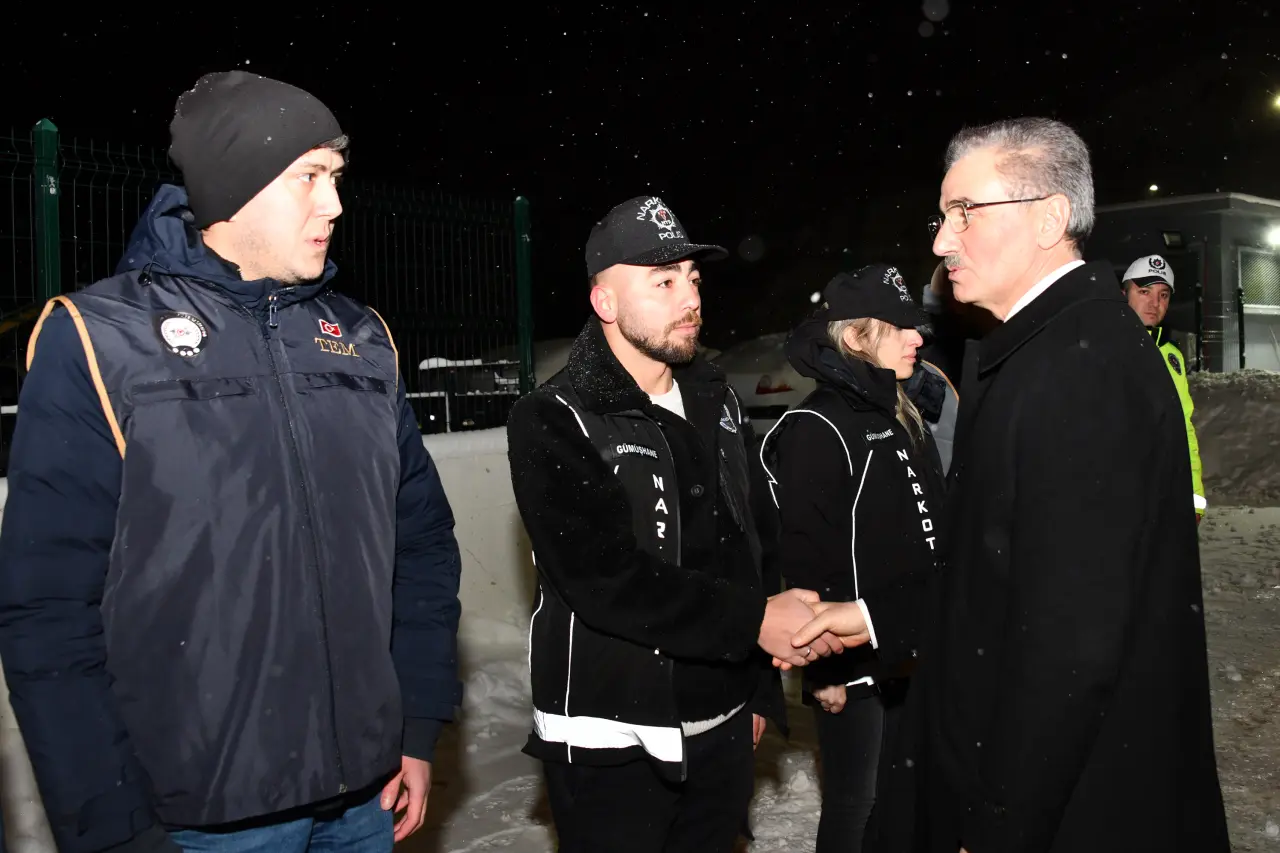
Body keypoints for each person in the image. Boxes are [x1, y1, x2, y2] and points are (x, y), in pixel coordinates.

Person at [0, 71, 463, 853]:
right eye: (308, 178)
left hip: (361, 799)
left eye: (337, 178)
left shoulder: (361, 338)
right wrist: (110, 824)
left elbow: (420, 545)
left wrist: (416, 722)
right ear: (234, 186)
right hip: (198, 817)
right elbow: (47, 611)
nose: (335, 205)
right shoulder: (98, 340)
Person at [789, 117, 1229, 853]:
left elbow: (1070, 644)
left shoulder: (1081, 367)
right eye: (942, 215)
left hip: (1066, 810)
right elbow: (996, 573)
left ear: (1050, 217)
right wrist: (872, 618)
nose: (940, 240)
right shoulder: (1034, 350)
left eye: (965, 211)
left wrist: (994, 823)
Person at [505, 194, 841, 853]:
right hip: (608, 732)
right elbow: (605, 578)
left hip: (720, 718)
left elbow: (752, 541)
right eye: (662, 282)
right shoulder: (553, 417)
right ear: (605, 301)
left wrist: (758, 690)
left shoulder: (714, 394)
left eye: (692, 279)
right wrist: (753, 621)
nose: (689, 298)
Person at [758, 265, 946, 853]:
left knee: (908, 801)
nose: (919, 338)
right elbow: (808, 554)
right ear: (857, 336)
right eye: (901, 328)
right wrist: (828, 671)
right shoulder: (817, 424)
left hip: (912, 641)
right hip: (855, 659)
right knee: (856, 805)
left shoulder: (902, 412)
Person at [1121, 254, 1207, 523]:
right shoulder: (1100, 346)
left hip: (1163, 498)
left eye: (1163, 295)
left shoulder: (1172, 356)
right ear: (1123, 294)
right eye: (1144, 291)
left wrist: (1194, 500)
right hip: (1115, 499)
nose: (1154, 303)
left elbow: (1183, 428)